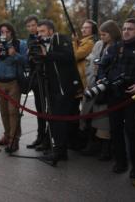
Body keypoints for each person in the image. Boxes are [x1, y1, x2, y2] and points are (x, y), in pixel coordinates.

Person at [98, 18, 135, 179]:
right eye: (124, 28)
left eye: (130, 29)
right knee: (115, 130)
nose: (125, 31)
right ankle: (120, 162)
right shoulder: (115, 47)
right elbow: (102, 66)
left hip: (133, 96)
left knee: (132, 130)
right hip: (114, 95)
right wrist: (102, 79)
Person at [35, 20, 83, 163]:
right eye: (38, 32)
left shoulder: (61, 39)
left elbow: (68, 57)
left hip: (64, 88)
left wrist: (47, 55)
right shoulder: (44, 43)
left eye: (42, 31)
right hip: (53, 88)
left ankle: (60, 151)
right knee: (54, 120)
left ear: (50, 30)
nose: (40, 34)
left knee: (59, 120)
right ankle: (58, 150)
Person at [0, 22, 27, 153]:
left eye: (7, 32)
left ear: (12, 32)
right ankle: (7, 136)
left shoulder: (20, 44)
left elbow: (27, 61)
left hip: (14, 82)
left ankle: (14, 140)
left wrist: (15, 55)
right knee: (4, 112)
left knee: (13, 112)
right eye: (2, 32)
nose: (5, 34)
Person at [80, 20, 121, 160]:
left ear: (112, 33)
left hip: (107, 89)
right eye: (101, 34)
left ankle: (106, 149)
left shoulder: (118, 47)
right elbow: (89, 63)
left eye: (104, 34)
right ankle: (92, 145)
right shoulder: (98, 44)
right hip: (92, 85)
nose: (101, 37)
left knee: (104, 121)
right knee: (89, 116)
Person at [69, 20, 98, 150]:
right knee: (78, 112)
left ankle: (88, 142)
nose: (84, 30)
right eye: (83, 27)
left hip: (84, 82)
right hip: (78, 80)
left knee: (86, 113)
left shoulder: (90, 43)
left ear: (93, 30)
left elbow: (75, 55)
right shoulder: (82, 41)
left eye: (87, 28)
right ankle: (78, 140)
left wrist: (74, 43)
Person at [23, 15, 47, 149]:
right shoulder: (29, 40)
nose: (31, 28)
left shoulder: (43, 38)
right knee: (39, 108)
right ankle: (40, 136)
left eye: (33, 25)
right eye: (29, 26)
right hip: (35, 76)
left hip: (45, 77)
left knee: (46, 109)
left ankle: (48, 139)